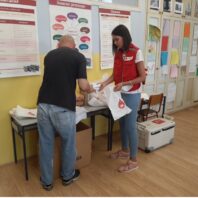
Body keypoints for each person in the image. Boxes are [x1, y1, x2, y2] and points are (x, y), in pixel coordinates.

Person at [37, 35, 93, 190]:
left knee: (45, 144)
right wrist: (90, 88)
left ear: (58, 45)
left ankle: (47, 182)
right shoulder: (78, 56)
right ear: (74, 46)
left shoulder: (49, 56)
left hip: (42, 105)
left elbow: (56, 81)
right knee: (68, 143)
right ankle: (67, 177)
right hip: (63, 108)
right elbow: (82, 85)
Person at [99, 24, 146, 173]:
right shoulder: (118, 53)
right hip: (120, 94)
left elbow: (142, 77)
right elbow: (115, 74)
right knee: (123, 124)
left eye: (117, 39)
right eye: (113, 40)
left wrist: (125, 83)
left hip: (132, 94)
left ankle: (133, 161)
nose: (115, 43)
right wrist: (105, 83)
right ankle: (125, 150)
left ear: (124, 37)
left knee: (131, 126)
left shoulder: (136, 52)